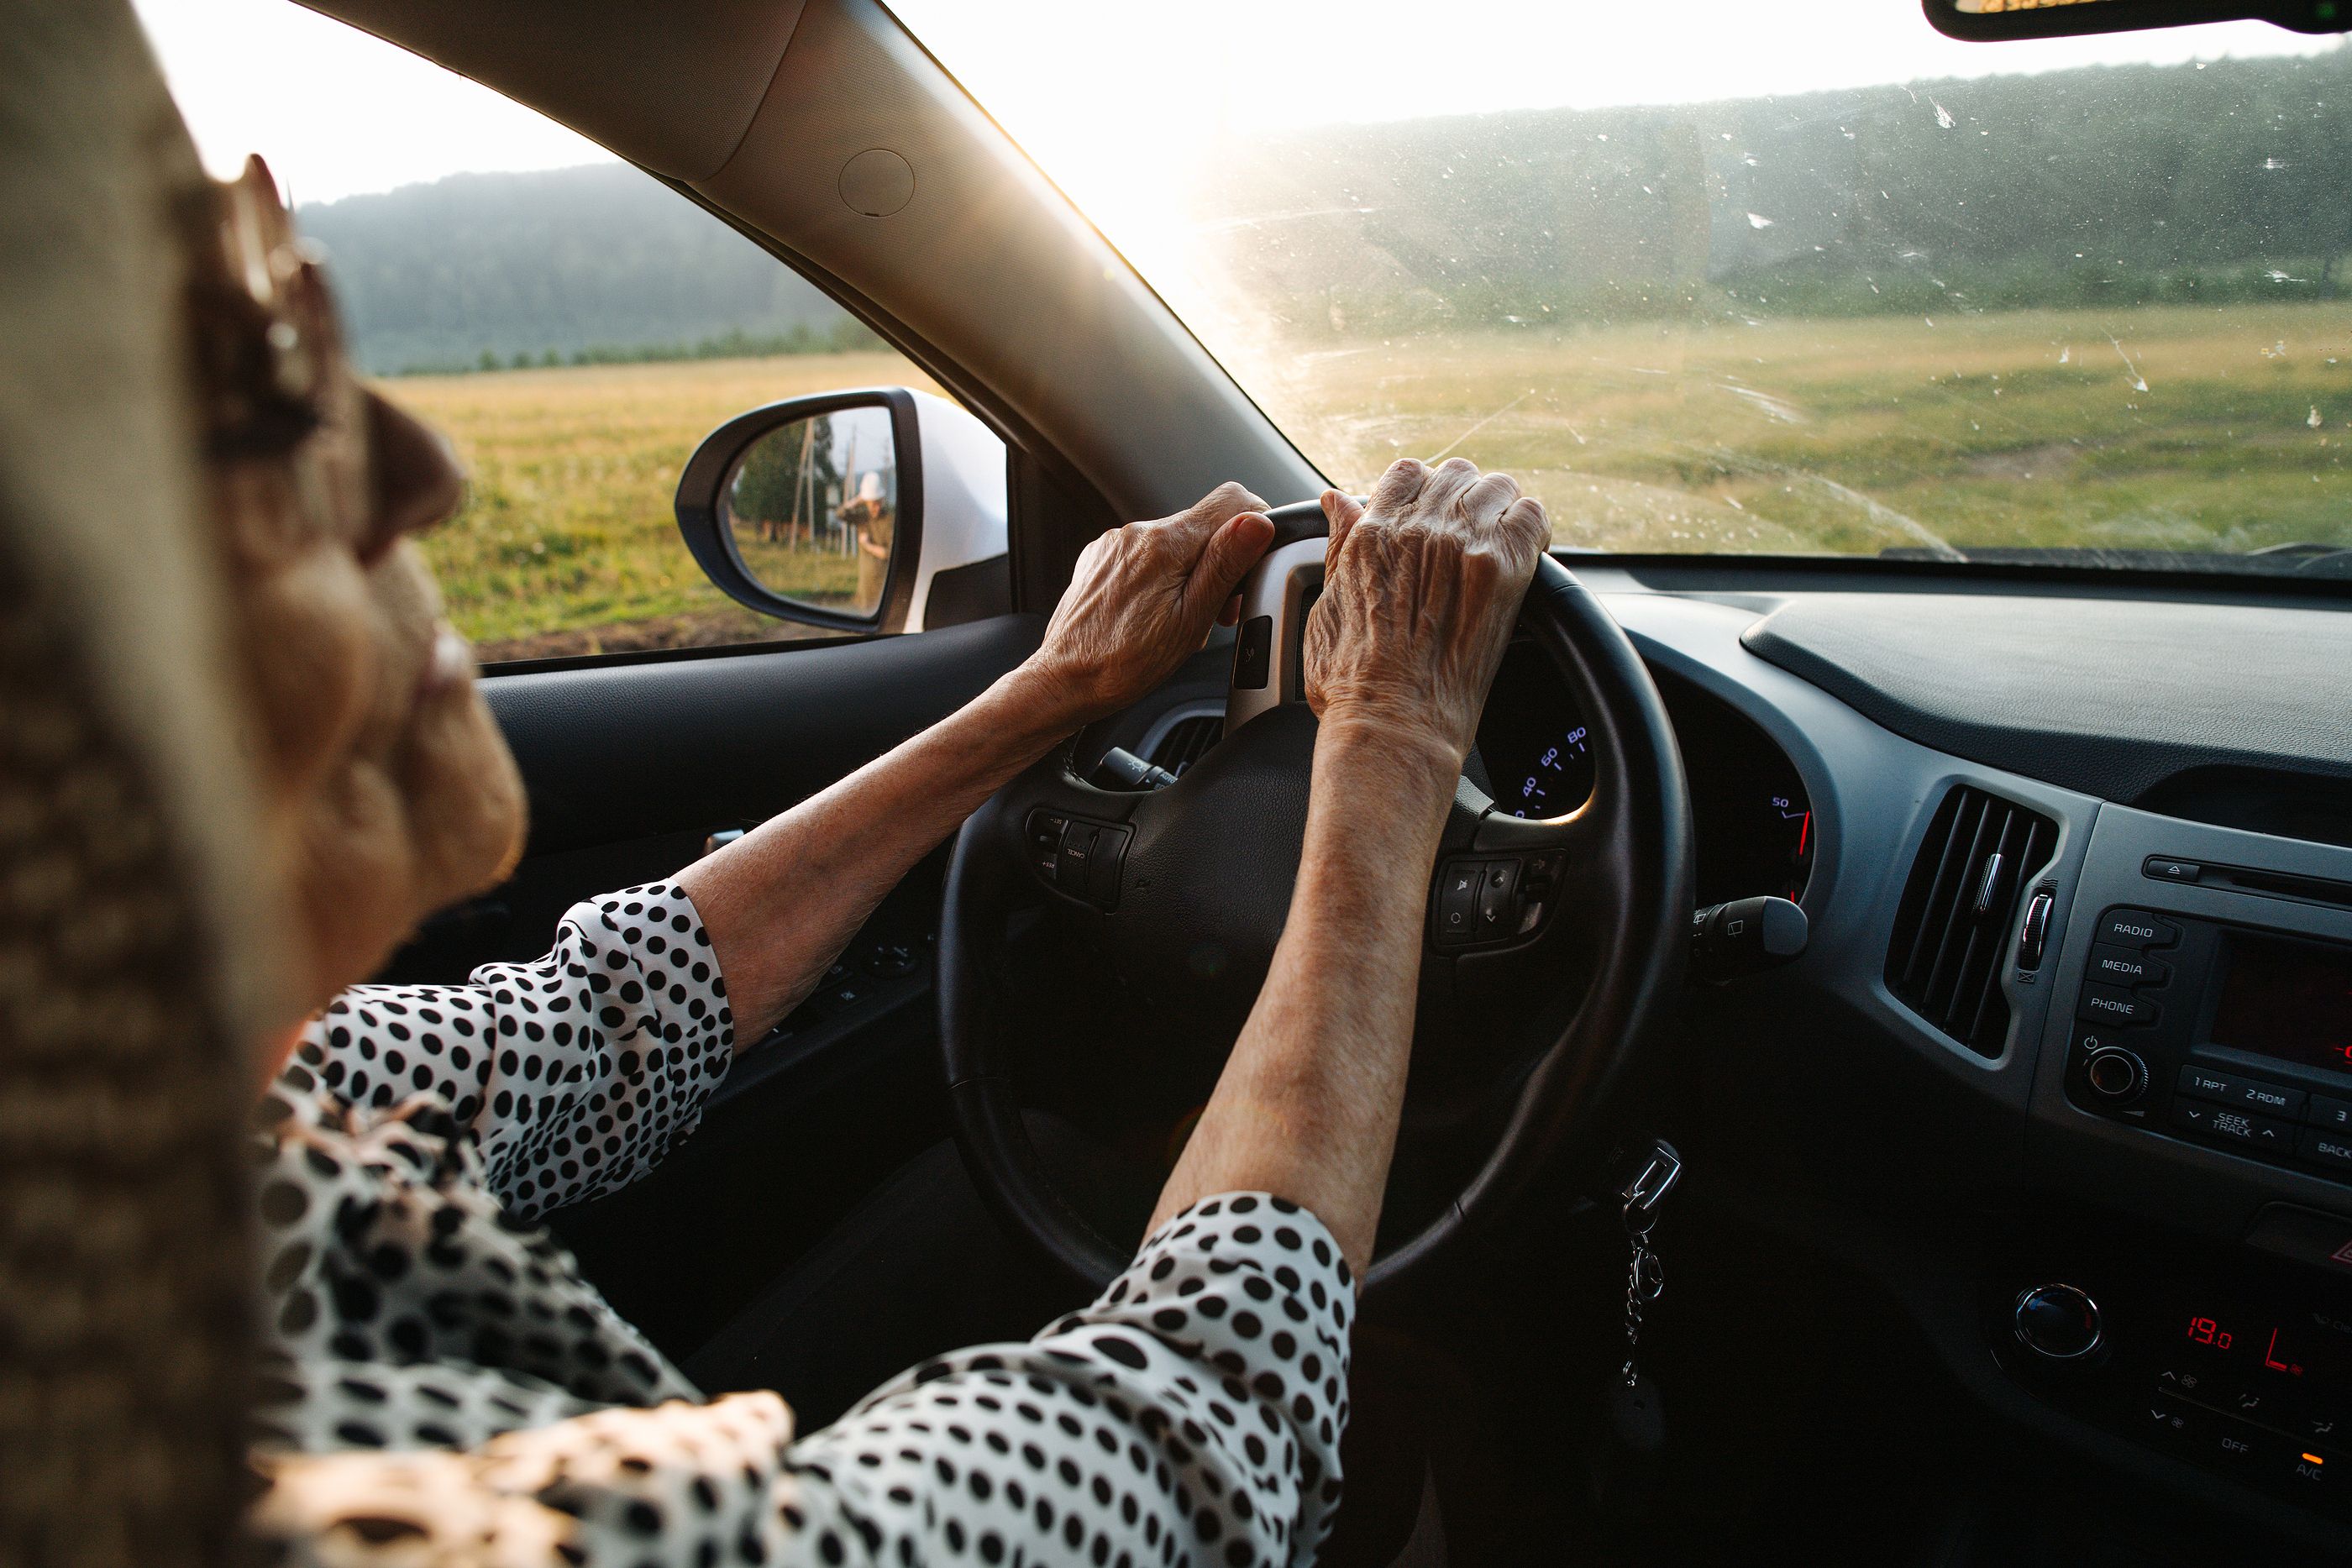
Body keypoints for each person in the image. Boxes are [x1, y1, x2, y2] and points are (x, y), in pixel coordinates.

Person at [64, 22, 1553, 1567]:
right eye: (257, 385)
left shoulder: (142, 1128)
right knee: (1402, 1425)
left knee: (948, 1221)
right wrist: (1389, 749)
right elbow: (1196, 1437)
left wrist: (1047, 696)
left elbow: (596, 1027)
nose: (419, 466)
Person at [842, 469, 894, 610]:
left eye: (878, 502)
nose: (875, 507)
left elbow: (889, 553)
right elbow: (841, 513)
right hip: (864, 588)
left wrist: (867, 545)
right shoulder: (863, 518)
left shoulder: (889, 520)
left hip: (883, 586)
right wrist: (859, 499)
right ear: (866, 502)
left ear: (882, 500)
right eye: (871, 503)